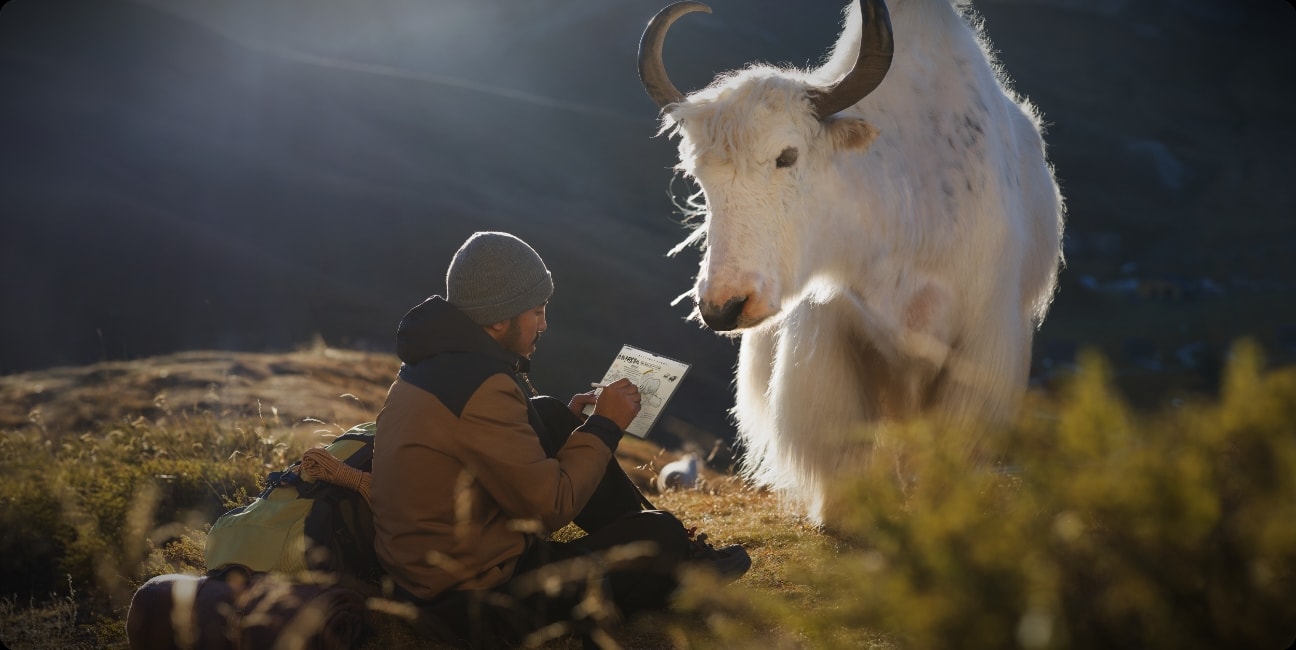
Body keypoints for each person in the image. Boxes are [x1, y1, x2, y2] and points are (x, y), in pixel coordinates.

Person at [370, 231, 750, 648]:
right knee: (661, 537)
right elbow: (549, 509)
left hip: (430, 575)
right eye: (537, 311)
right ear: (498, 319)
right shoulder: (481, 389)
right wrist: (604, 426)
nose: (544, 324)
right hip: (473, 601)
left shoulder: (437, 362)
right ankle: (676, 556)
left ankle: (667, 546)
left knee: (551, 415)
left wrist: (572, 426)